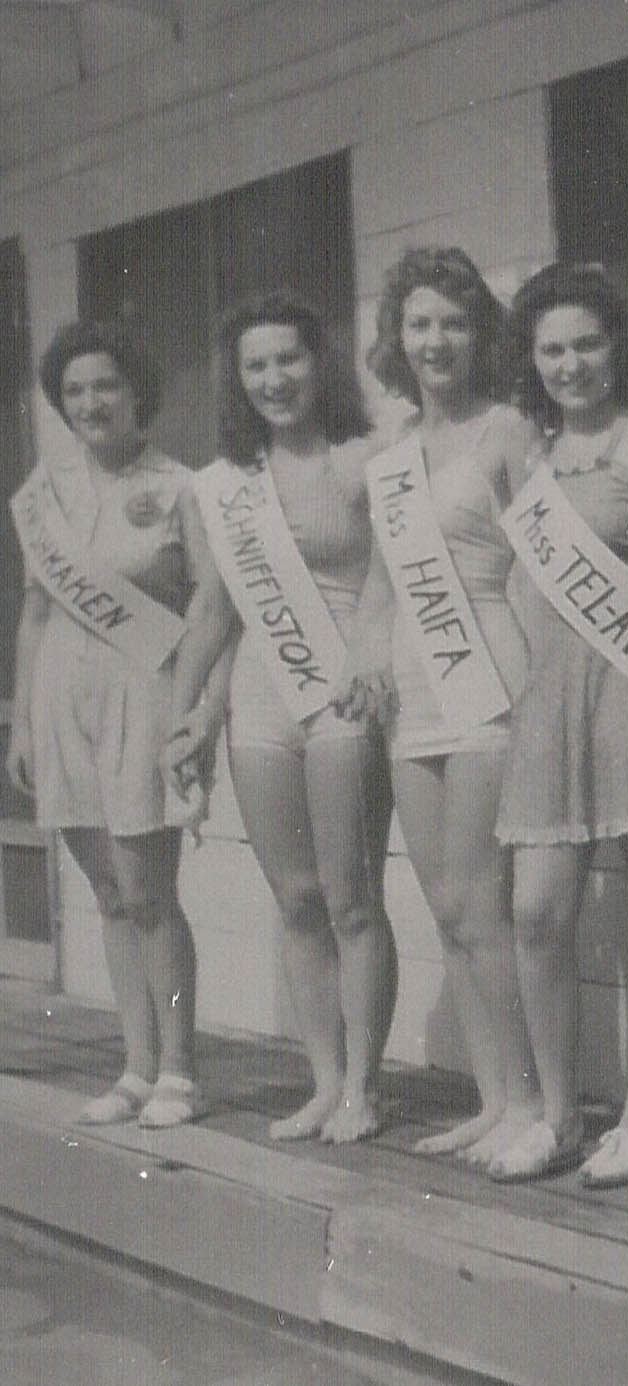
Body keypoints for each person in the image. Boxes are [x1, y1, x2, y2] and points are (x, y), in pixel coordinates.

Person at [165, 291, 397, 1144]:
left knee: (351, 897)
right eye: (256, 366)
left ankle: (365, 1088)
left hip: (344, 688)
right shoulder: (222, 486)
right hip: (262, 697)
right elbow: (215, 611)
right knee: (295, 897)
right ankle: (326, 1080)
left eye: (288, 359)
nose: (274, 379)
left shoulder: (367, 457)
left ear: (318, 361)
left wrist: (369, 651)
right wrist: (183, 712)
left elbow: (395, 575)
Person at [489, 263, 628, 1181]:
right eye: (552, 348)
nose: (571, 364)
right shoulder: (525, 455)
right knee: (536, 913)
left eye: (588, 343)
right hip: (547, 703)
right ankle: (562, 1114)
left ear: (619, 347)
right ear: (530, 361)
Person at [7, 319, 229, 1127]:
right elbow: (34, 612)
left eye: (105, 385)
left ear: (138, 393)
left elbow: (210, 601)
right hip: (64, 692)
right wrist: (26, 722)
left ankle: (179, 1070)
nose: (90, 403)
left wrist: (193, 708)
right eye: (73, 390)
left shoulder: (179, 486)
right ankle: (135, 1066)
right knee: (105, 890)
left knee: (148, 890)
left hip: (144, 687)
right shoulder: (44, 494)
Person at [350, 246, 541, 1163]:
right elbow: (384, 586)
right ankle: (492, 1097)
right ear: (398, 337)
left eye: (455, 323)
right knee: (446, 909)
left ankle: (531, 1103)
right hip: (411, 698)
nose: (436, 340)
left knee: (484, 903)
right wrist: (364, 659)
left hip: (486, 680)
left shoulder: (506, 430)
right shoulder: (390, 457)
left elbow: (544, 570)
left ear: (481, 336)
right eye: (420, 323)